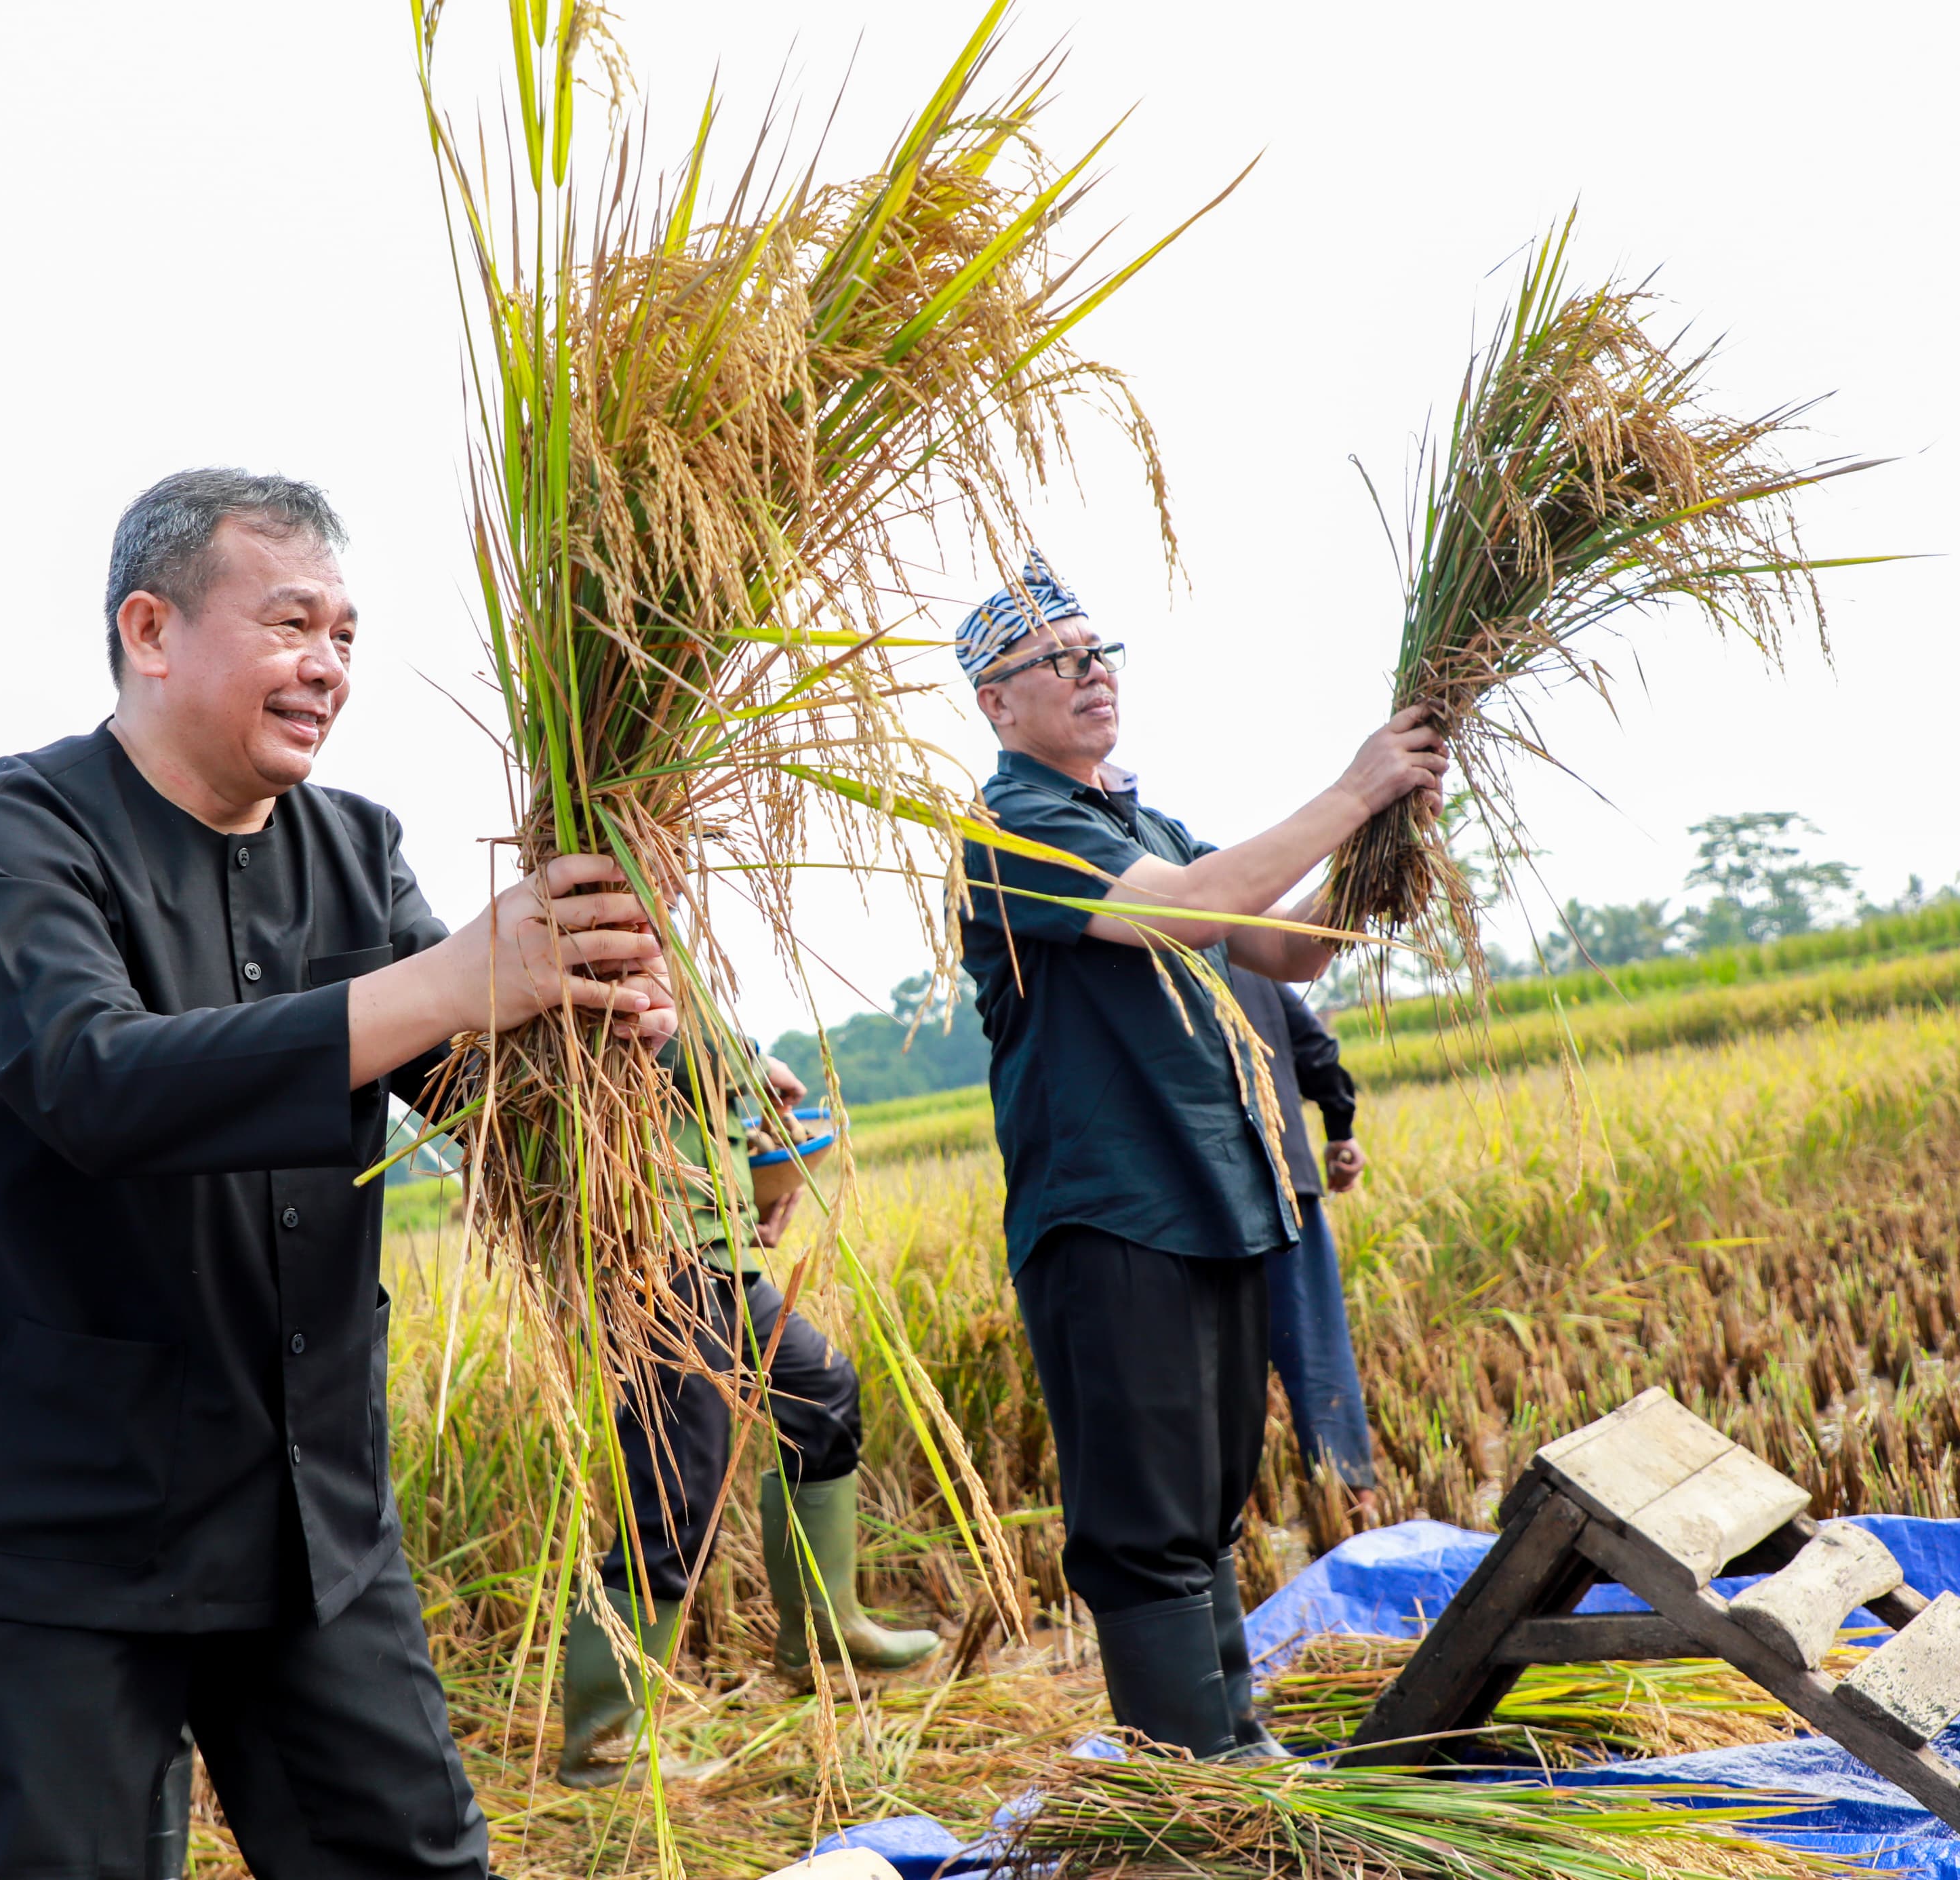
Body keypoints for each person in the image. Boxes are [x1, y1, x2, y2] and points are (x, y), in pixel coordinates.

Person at [0, 470, 675, 1879]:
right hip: (62, 1527)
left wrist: (600, 1037)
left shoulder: (354, 847)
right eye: (294, 623)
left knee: (412, 1860)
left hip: (312, 1514)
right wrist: (451, 980)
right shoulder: (4, 841)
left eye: (348, 637)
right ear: (151, 629)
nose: (328, 669)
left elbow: (474, 1092)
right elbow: (94, 1083)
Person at [953, 549, 1443, 1759]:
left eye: (1096, 649)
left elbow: (1288, 949)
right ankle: (1192, 1780)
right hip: (1116, 1214)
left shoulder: (1143, 817)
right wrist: (1349, 785)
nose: (1088, 673)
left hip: (1216, 1200)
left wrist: (1384, 834)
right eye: (1050, 661)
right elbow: (1185, 908)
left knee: (1209, 1500)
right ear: (996, 704)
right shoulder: (1011, 823)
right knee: (1146, 1517)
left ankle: (1234, 1748)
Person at [558, 1035, 938, 1788]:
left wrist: (743, 1189)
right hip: (646, 1248)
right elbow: (624, 1041)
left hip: (713, 1244)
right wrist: (751, 1067)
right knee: (677, 1489)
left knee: (821, 1392)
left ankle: (820, 1637)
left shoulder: (674, 932)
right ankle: (600, 1745)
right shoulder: (586, 918)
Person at [1227, 969, 1379, 1502]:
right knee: (1318, 1357)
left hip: (1200, 1199)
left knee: (1216, 1374)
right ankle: (1354, 1506)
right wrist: (1341, 1129)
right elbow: (1316, 1049)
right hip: (1284, 1178)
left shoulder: (1147, 939)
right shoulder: (1244, 947)